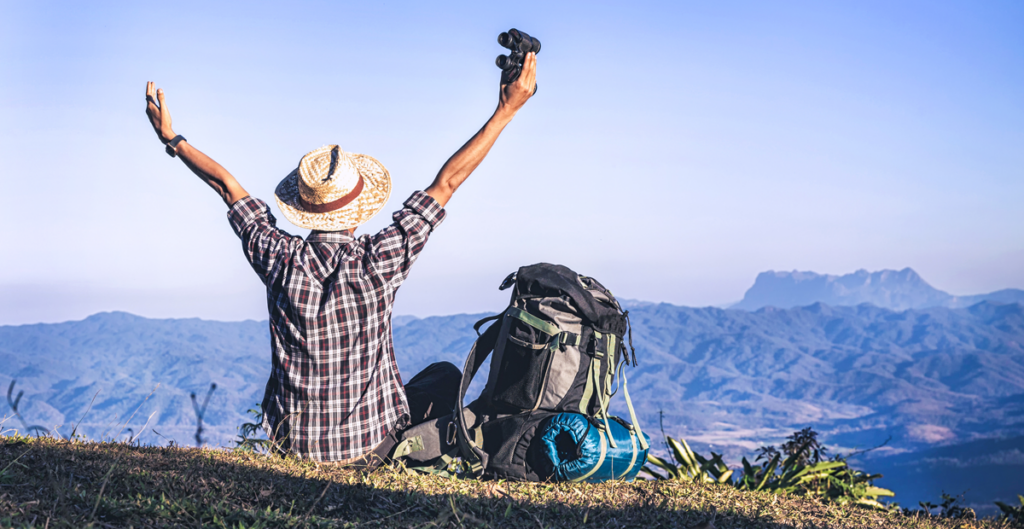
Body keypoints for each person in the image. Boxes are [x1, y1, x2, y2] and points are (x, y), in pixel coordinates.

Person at [144, 52, 537, 465]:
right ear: (359, 208)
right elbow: (448, 182)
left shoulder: (276, 255)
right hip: (371, 449)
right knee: (445, 377)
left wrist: (172, 139)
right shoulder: (380, 259)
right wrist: (506, 109)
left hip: (291, 446)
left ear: (305, 207)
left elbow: (226, 186)